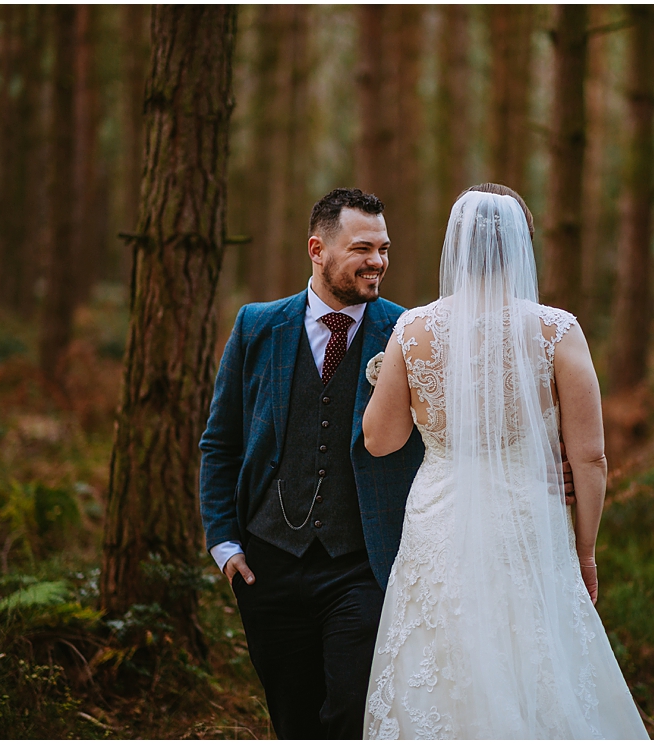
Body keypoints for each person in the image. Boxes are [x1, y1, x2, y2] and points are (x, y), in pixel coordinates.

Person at [361, 185, 649, 739]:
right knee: (537, 658)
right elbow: (590, 457)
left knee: (440, 659)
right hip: (527, 518)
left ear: (455, 247)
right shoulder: (556, 330)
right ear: (523, 245)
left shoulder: (414, 330)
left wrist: (386, 379)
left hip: (438, 521)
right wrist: (585, 552)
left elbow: (381, 440)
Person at [199, 188, 425, 739]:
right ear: (317, 249)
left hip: (364, 564)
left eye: (385, 248)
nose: (378, 261)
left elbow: (448, 440)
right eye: (362, 248)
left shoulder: (409, 331)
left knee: (349, 712)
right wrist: (224, 543)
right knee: (293, 718)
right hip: (268, 562)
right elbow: (220, 442)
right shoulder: (257, 326)